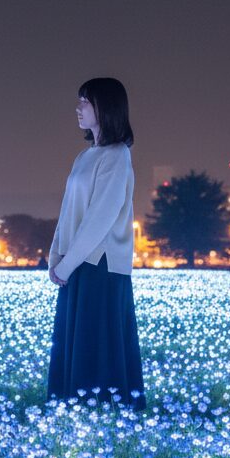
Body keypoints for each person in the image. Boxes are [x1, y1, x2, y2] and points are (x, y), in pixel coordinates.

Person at [46, 77, 146, 411]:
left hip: (101, 263)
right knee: (78, 338)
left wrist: (66, 263)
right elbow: (68, 211)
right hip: (76, 262)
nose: (78, 108)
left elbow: (100, 217)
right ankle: (77, 405)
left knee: (96, 340)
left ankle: (101, 408)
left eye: (85, 101)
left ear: (106, 107)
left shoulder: (117, 155)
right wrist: (55, 256)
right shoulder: (85, 156)